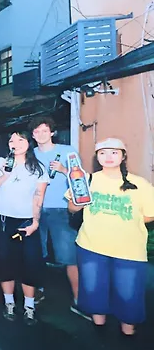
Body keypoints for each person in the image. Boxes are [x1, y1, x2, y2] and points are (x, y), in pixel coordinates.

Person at [68, 138, 154, 337]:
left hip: (129, 250)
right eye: (103, 153)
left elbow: (149, 215)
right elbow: (72, 208)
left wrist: (126, 222)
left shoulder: (140, 184)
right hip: (91, 246)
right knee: (93, 290)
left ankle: (128, 333)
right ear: (97, 157)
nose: (108, 157)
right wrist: (78, 203)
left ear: (123, 156)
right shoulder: (87, 179)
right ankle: (99, 330)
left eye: (114, 152)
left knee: (129, 294)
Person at [0, 131, 48, 326]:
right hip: (2, 220)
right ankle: (9, 303)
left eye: (21, 139)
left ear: (28, 143)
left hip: (26, 222)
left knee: (30, 262)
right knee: (4, 261)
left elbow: (38, 196)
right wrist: (3, 174)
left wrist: (35, 222)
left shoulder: (38, 168)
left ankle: (29, 306)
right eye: (12, 140)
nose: (16, 143)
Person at [30, 117, 87, 318]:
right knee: (35, 254)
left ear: (52, 132)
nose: (41, 134)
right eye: (37, 131)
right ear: (32, 135)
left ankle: (79, 300)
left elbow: (80, 178)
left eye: (45, 130)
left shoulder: (67, 151)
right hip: (35, 209)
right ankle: (36, 292)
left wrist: (63, 170)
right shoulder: (30, 154)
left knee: (69, 256)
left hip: (61, 209)